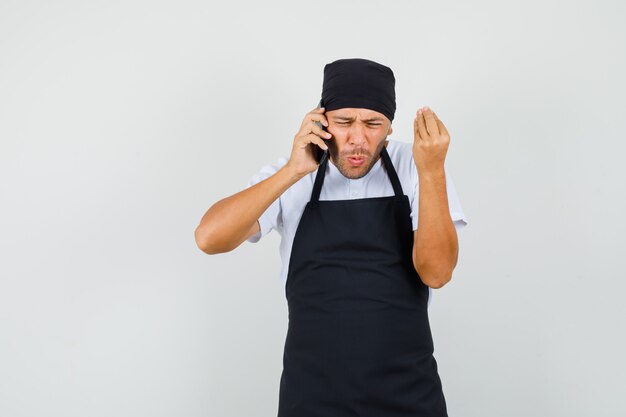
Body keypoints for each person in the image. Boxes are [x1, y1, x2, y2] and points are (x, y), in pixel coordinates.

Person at [195, 58, 468, 417]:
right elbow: (209, 238)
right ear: (322, 121)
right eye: (344, 123)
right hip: (311, 398)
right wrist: (293, 170)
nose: (358, 139)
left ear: (389, 127)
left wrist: (432, 170)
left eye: (373, 124)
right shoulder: (295, 171)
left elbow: (437, 273)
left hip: (409, 397)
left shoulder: (416, 166)